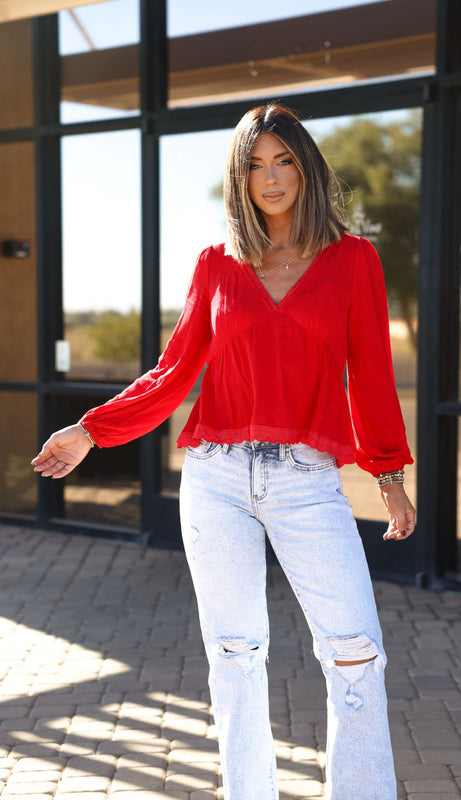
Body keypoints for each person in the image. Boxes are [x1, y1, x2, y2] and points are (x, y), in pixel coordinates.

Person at [32, 103, 416, 800]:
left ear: (306, 168)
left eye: (283, 161)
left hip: (307, 479)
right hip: (215, 478)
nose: (270, 178)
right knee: (235, 657)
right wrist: (90, 429)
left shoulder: (353, 259)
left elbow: (370, 374)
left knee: (355, 652)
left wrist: (387, 474)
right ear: (239, 179)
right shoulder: (217, 264)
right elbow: (173, 371)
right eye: (254, 164)